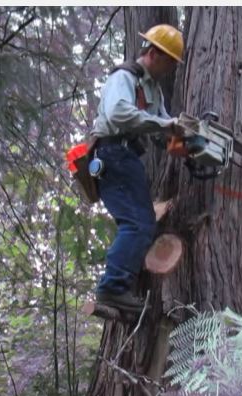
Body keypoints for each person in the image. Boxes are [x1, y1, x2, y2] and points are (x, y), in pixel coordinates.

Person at [89, 24, 184, 313]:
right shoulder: (124, 77)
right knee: (139, 223)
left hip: (127, 158)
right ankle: (113, 288)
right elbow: (119, 112)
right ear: (154, 53)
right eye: (169, 62)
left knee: (136, 222)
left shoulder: (153, 89)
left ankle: (118, 289)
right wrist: (165, 125)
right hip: (112, 153)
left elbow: (162, 123)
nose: (171, 69)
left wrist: (182, 135)